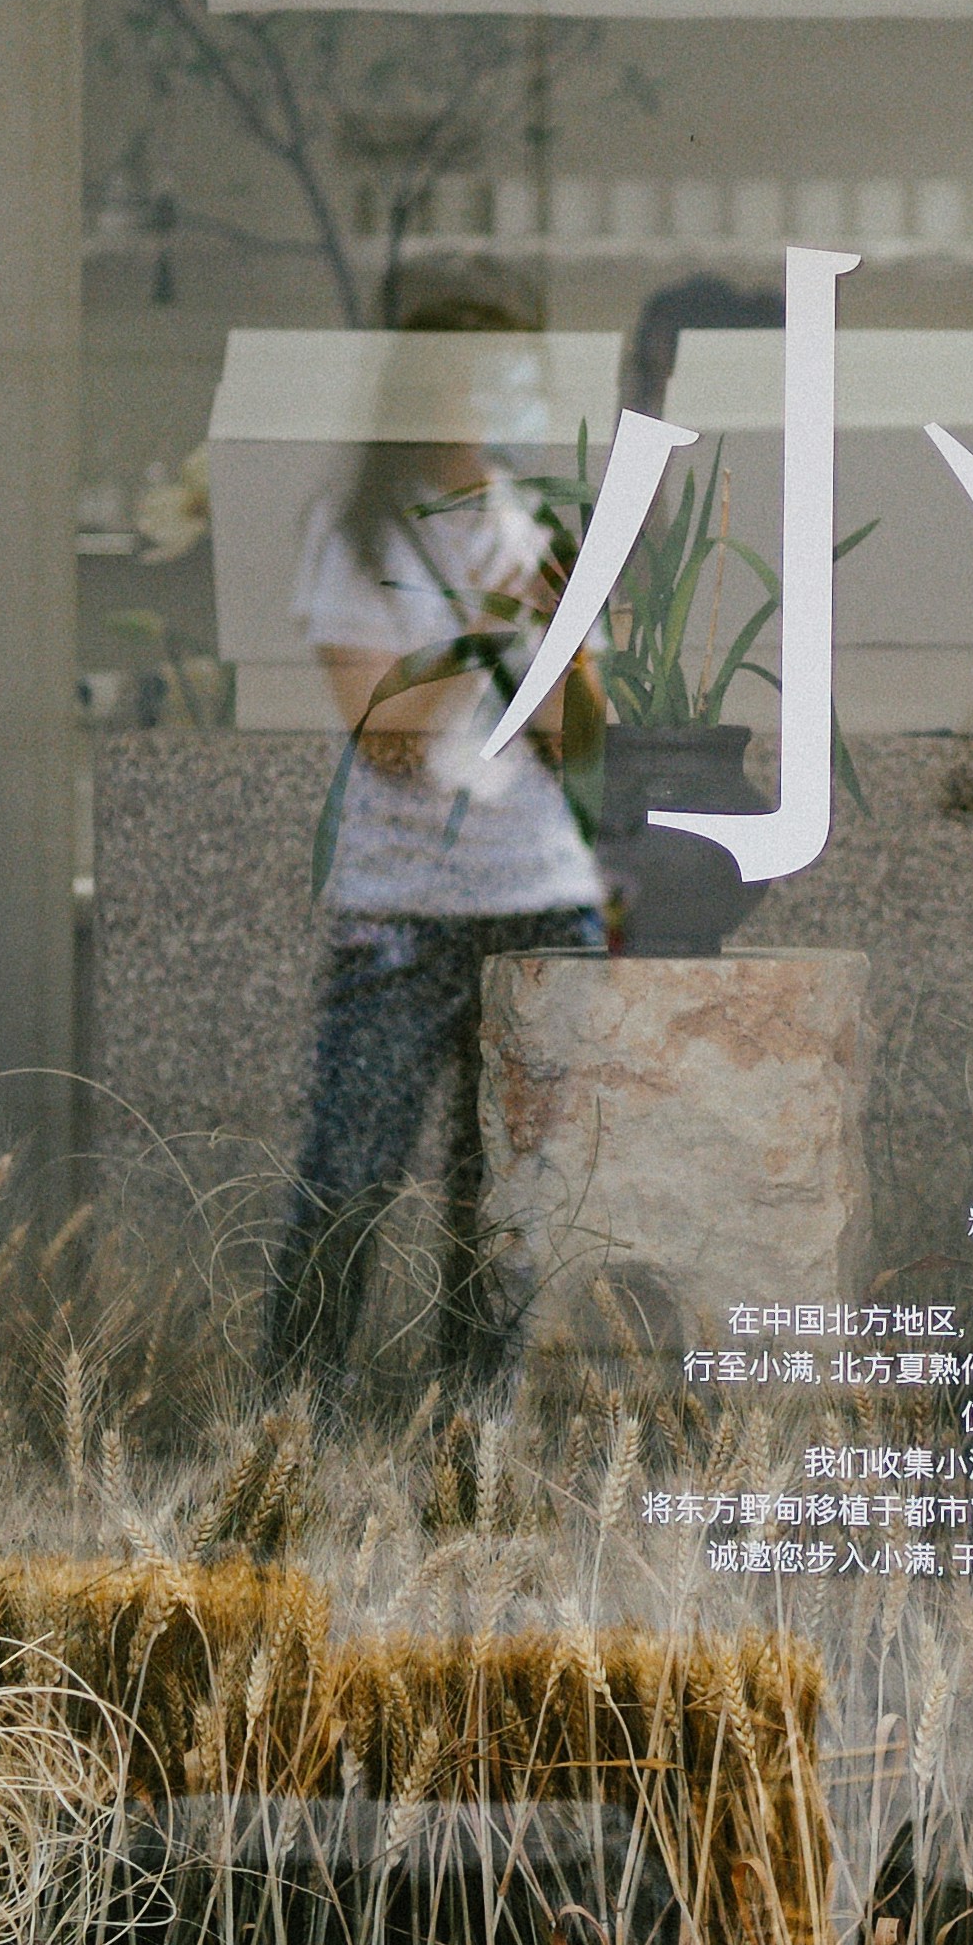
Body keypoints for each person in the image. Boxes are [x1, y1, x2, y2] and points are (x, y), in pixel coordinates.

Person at [265, 304, 606, 1392]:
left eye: (518, 379)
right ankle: (292, 1424)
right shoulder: (360, 530)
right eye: (480, 378)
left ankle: (476, 1438)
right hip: (403, 910)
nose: (501, 404)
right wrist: (492, 622)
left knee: (507, 1198)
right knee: (350, 1175)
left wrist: (566, 634)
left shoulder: (530, 521)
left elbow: (578, 750)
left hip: (539, 898)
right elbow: (388, 740)